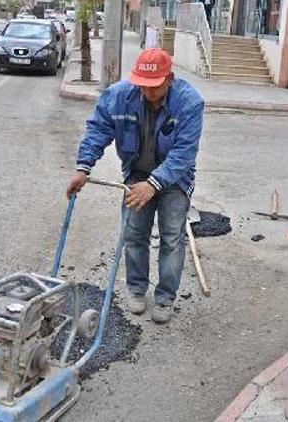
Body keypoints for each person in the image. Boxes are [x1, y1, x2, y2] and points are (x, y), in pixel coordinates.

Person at [66, 48, 204, 324]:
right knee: (134, 234)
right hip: (137, 174)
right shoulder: (119, 96)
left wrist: (154, 184)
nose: (147, 92)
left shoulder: (190, 103)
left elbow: (184, 153)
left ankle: (165, 297)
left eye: (154, 87)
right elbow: (98, 130)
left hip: (175, 180)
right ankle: (137, 289)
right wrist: (83, 168)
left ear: (170, 78)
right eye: (142, 85)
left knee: (171, 239)